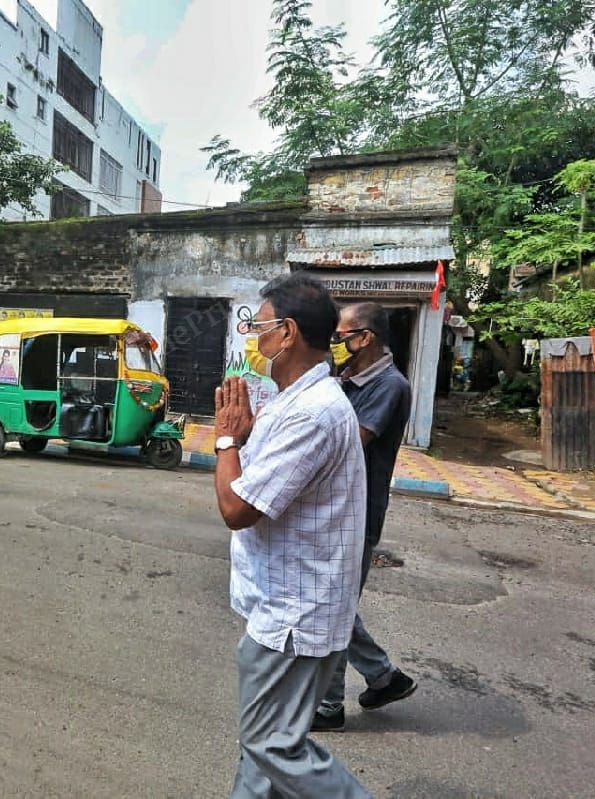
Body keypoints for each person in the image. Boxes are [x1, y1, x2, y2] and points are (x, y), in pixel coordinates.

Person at [212, 272, 371, 798]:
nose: (252, 339)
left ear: (288, 333)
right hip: (283, 602)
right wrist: (244, 432)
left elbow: (237, 507)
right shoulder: (290, 400)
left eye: (259, 328)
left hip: (293, 613)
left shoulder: (312, 413)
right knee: (265, 751)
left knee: (270, 746)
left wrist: (226, 439)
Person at [313, 301, 417, 732]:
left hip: (357, 514)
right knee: (333, 604)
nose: (336, 343)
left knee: (334, 607)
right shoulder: (347, 378)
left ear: (365, 337)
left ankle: (330, 706)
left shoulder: (390, 386)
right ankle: (383, 677)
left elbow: (351, 441)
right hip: (333, 508)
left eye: (342, 336)